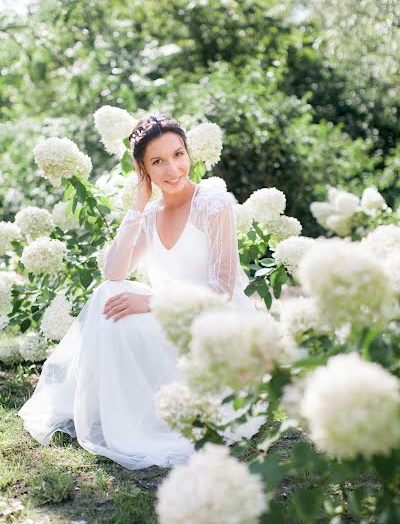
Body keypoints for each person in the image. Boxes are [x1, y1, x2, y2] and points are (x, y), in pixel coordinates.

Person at [17, 113, 264, 470]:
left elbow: (223, 290)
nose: (173, 169)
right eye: (158, 161)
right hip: (169, 320)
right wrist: (137, 207)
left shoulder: (214, 205)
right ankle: (118, 406)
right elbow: (113, 271)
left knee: (121, 299)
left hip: (211, 326)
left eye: (178, 155)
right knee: (108, 293)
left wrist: (150, 301)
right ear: (143, 168)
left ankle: (141, 405)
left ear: (188, 153)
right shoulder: (150, 215)